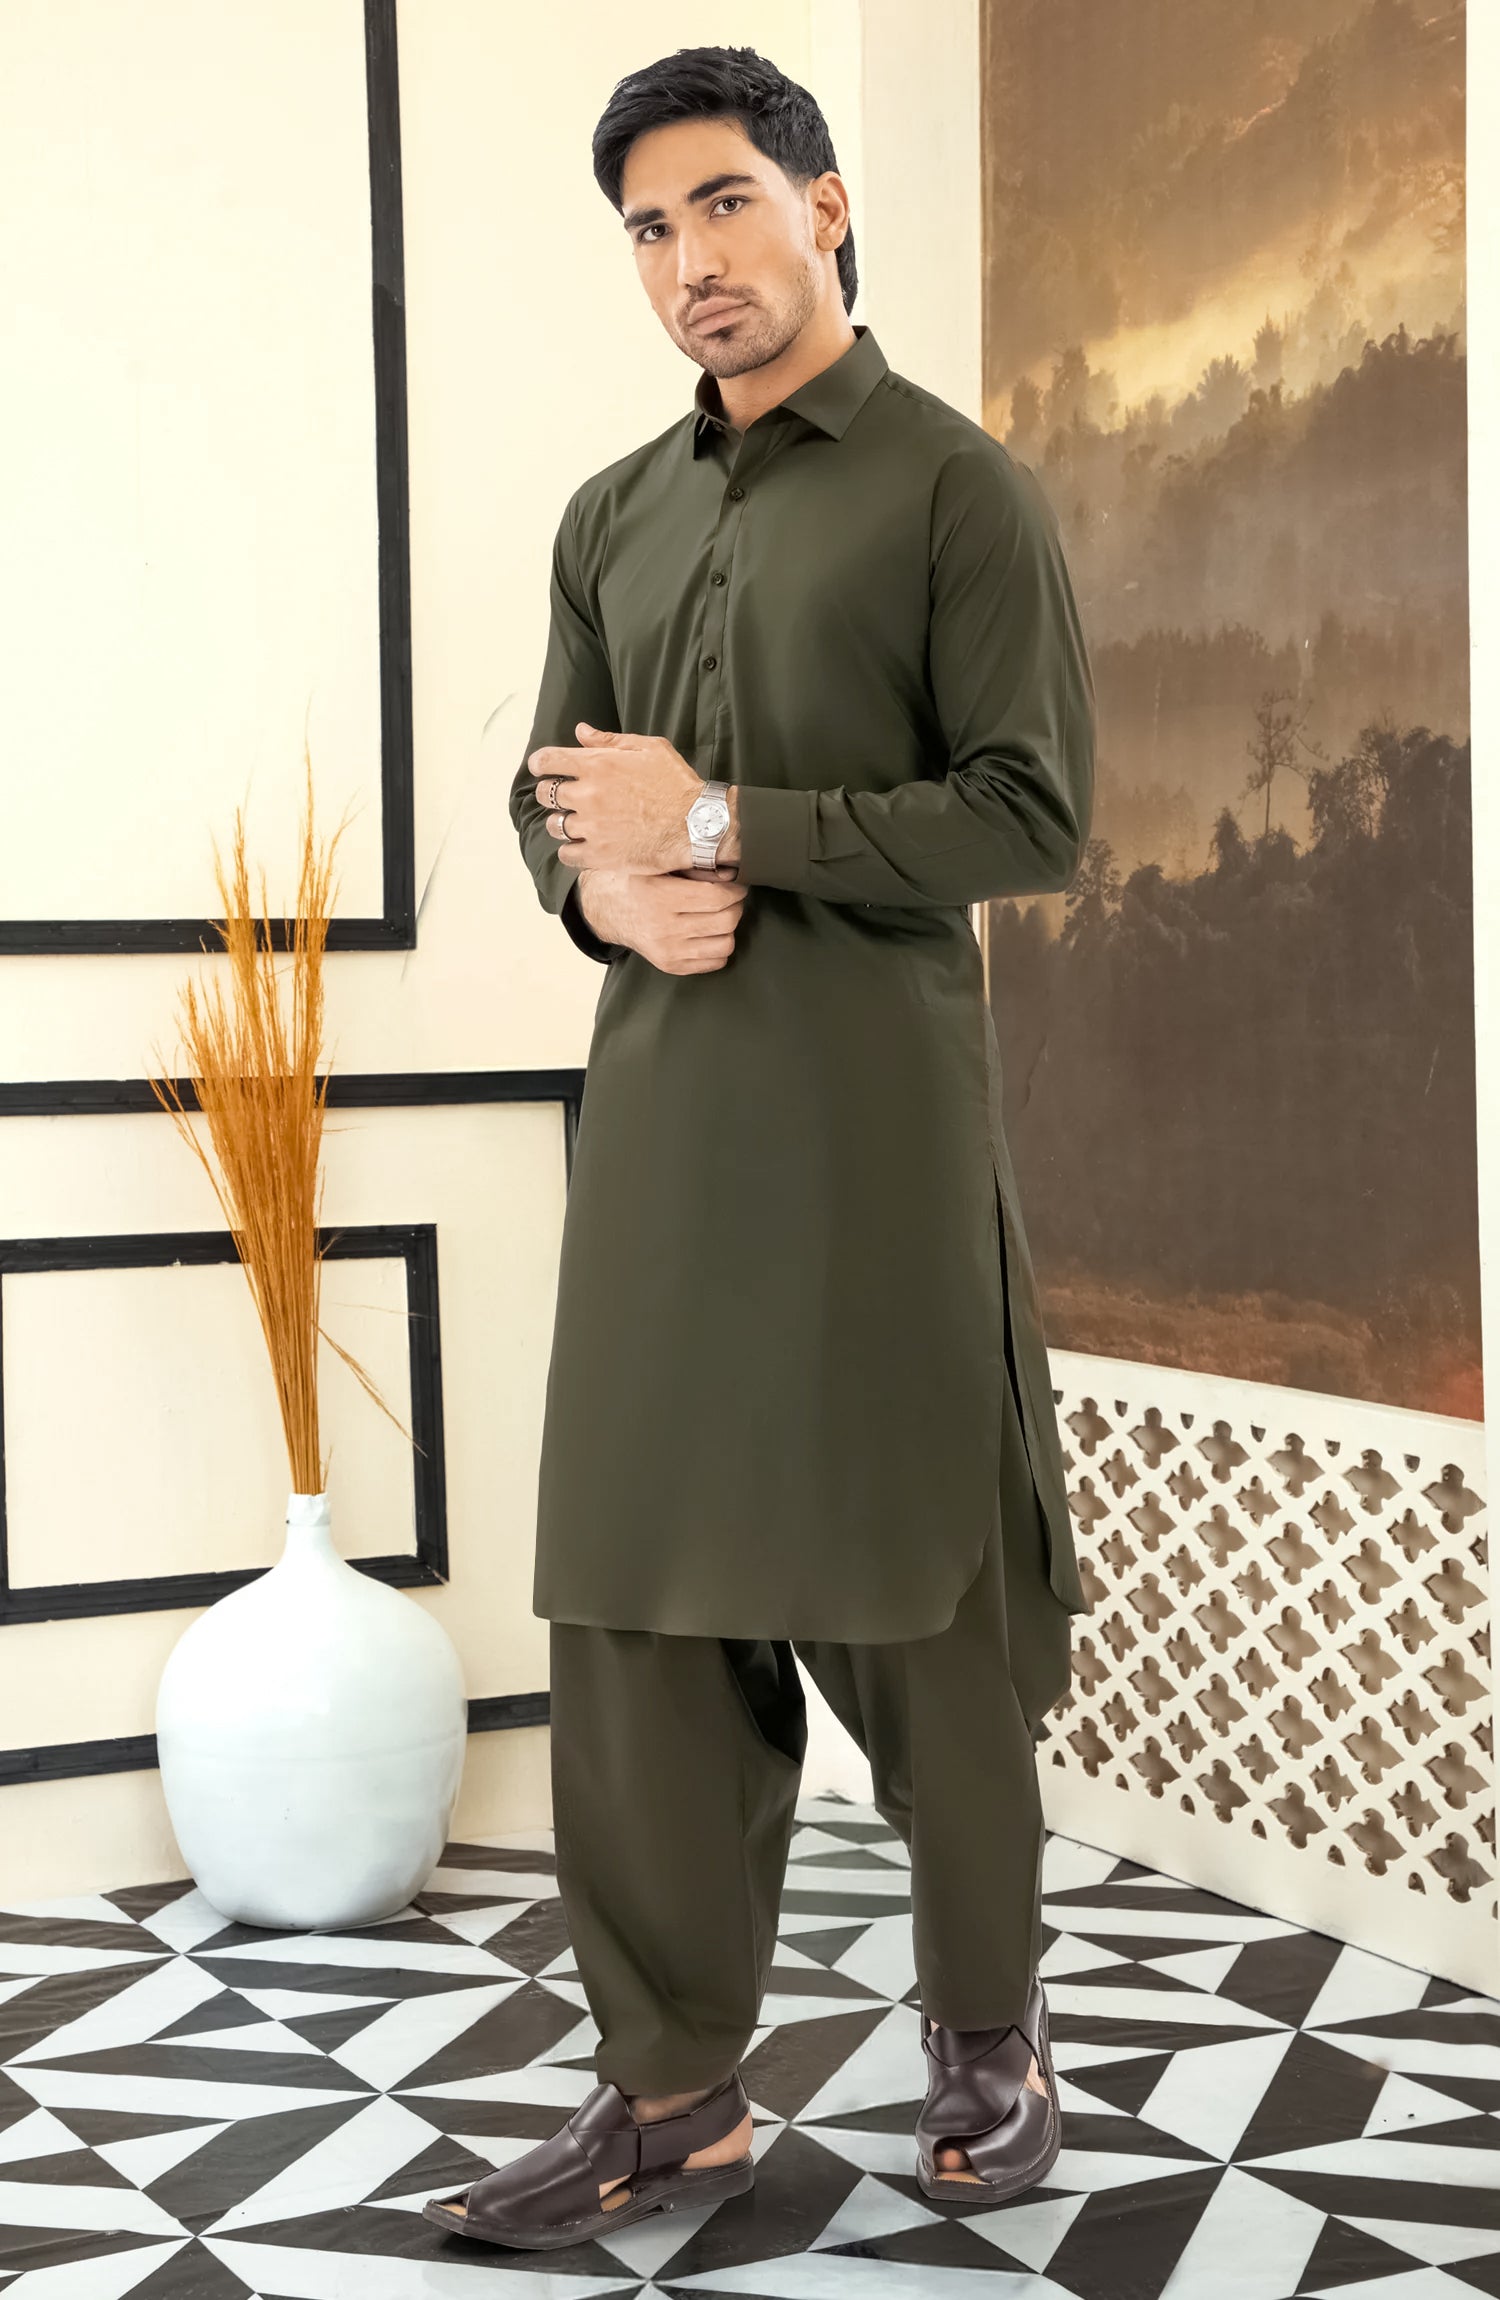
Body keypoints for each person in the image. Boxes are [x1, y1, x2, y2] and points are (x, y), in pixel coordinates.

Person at [424, 42, 1095, 2254]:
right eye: (647, 228)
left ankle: (987, 2033)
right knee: (632, 1600)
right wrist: (606, 895)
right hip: (663, 1130)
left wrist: (723, 824)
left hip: (872, 1130)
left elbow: (1031, 816)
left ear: (822, 204)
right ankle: (672, 2092)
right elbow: (555, 799)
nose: (687, 260)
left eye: (721, 203)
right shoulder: (612, 515)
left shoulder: (954, 490)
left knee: (919, 1593)